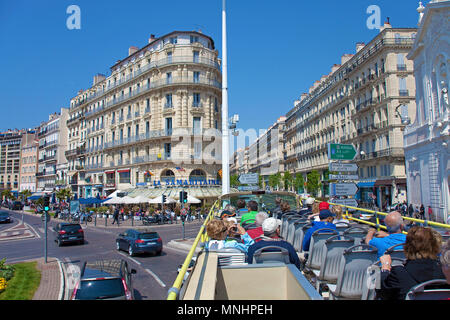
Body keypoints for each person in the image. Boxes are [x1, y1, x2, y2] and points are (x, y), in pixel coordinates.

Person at [378, 226, 446, 300]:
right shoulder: (445, 272)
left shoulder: (399, 274)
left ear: (407, 247)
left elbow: (382, 293)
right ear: (435, 247)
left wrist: (385, 267)